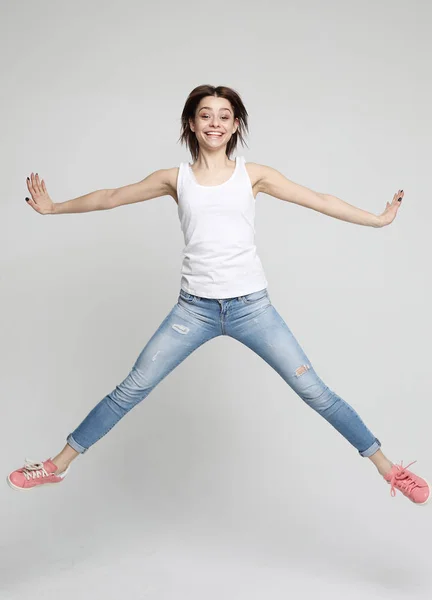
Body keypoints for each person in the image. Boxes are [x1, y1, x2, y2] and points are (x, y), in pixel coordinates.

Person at [7, 84, 430, 506]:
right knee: (132, 388)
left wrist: (376, 220)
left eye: (224, 116)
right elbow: (112, 197)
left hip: (253, 309)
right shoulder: (175, 179)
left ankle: (389, 469)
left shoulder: (254, 175)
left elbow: (317, 199)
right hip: (194, 311)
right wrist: (55, 207)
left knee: (315, 391)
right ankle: (56, 465)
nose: (215, 123)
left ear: (235, 125)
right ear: (191, 123)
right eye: (206, 115)